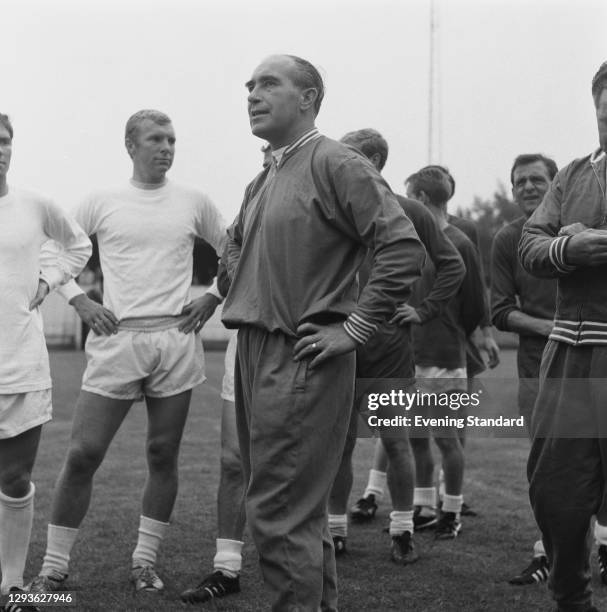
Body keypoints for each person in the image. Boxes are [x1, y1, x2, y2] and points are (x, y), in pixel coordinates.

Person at [222, 55, 425, 610]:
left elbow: (402, 247)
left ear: (308, 97)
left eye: (268, 83)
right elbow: (233, 246)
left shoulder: (338, 162)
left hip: (301, 352)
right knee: (298, 512)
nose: (252, 94)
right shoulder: (267, 174)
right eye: (249, 85)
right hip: (254, 349)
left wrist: (355, 327)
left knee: (278, 510)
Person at [29, 109, 226, 595]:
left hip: (176, 342)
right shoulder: (102, 201)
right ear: (130, 145)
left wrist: (213, 296)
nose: (167, 147)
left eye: (173, 139)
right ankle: (54, 568)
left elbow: (236, 249)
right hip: (117, 341)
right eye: (156, 139)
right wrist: (79, 301)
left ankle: (144, 561)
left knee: (163, 453)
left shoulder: (193, 201)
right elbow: (55, 251)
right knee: (83, 454)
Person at [328, 128, 465, 562]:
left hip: (387, 344)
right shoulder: (333, 208)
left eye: (348, 155)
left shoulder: (409, 211)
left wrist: (421, 311)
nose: (338, 162)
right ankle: (335, 531)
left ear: (372, 159)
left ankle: (402, 528)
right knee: (341, 441)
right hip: (339, 339)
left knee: (396, 437)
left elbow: (452, 266)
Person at [519, 62, 607, 612]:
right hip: (572, 351)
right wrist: (566, 249)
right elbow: (531, 244)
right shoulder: (572, 173)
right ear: (597, 101)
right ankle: (571, 598)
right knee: (557, 492)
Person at [0, 113, 91, 608]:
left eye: (5, 141)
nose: (0, 149)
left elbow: (77, 245)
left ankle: (11, 585)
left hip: (20, 366)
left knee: (14, 480)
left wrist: (46, 280)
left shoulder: (34, 205)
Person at [181, 143, 273, 604]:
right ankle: (227, 567)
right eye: (265, 154)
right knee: (233, 460)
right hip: (243, 343)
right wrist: (213, 297)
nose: (268, 159)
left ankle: (301, 562)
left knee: (288, 464)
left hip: (293, 347)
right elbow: (231, 259)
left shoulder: (320, 192)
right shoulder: (252, 194)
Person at [404, 166, 486, 539]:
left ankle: (451, 511)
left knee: (447, 437)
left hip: (445, 355)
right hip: (410, 354)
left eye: (409, 197)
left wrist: (449, 332)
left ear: (420, 198)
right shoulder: (409, 241)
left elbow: (472, 307)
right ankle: (422, 507)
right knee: (416, 436)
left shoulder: (459, 243)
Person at [491, 153, 558, 585]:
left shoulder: (581, 231)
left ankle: (605, 544)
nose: (528, 187)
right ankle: (547, 552)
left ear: (556, 185)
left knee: (599, 455)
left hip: (590, 362)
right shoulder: (506, 239)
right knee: (545, 464)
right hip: (536, 365)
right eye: (520, 182)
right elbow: (500, 312)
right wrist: (551, 327)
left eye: (537, 179)